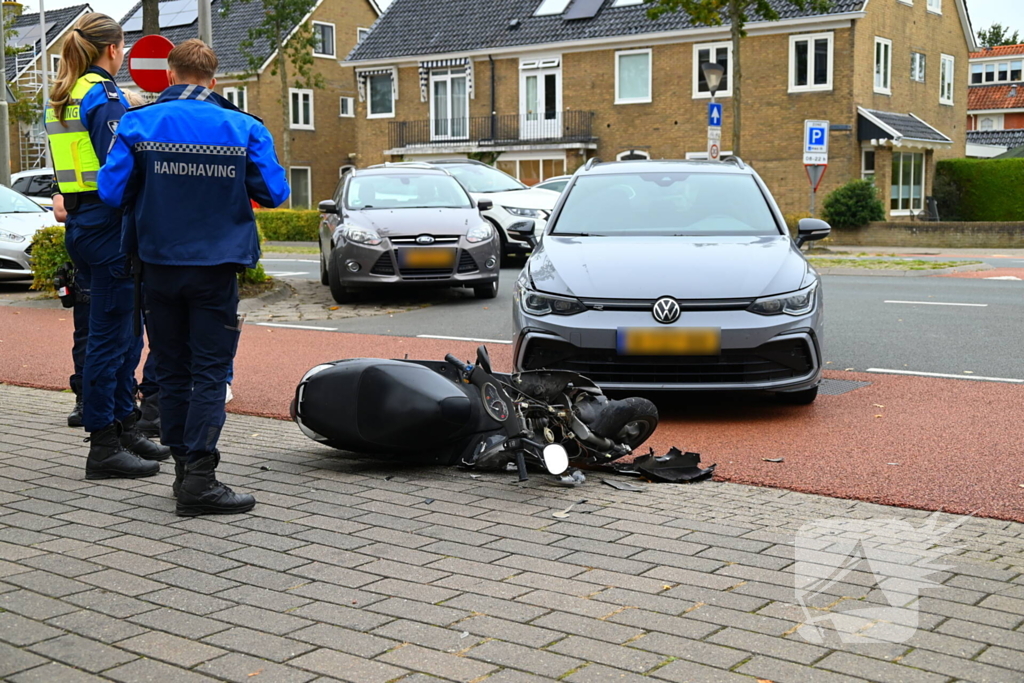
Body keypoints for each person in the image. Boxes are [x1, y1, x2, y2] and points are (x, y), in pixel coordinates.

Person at [99, 39, 289, 516]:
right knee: (209, 371)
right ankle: (199, 480)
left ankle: (185, 472)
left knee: (172, 370)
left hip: (157, 265)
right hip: (217, 267)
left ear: (168, 74)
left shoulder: (138, 124)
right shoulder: (243, 127)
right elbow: (275, 193)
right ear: (213, 79)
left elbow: (111, 190)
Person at [45, 13, 169, 478]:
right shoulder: (104, 94)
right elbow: (121, 166)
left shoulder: (64, 94)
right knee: (113, 338)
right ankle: (103, 443)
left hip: (83, 222)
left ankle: (123, 425)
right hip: (108, 224)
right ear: (114, 50)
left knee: (119, 333)